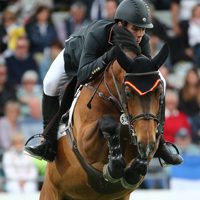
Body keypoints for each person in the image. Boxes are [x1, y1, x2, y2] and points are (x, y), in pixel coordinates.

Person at [24, 0, 183, 165]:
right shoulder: (98, 34)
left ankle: (160, 143)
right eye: (136, 28)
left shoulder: (142, 40)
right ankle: (47, 140)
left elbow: (146, 76)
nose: (140, 34)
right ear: (121, 24)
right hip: (75, 58)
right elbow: (84, 75)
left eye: (143, 29)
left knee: (160, 81)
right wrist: (110, 55)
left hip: (99, 66)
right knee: (50, 83)